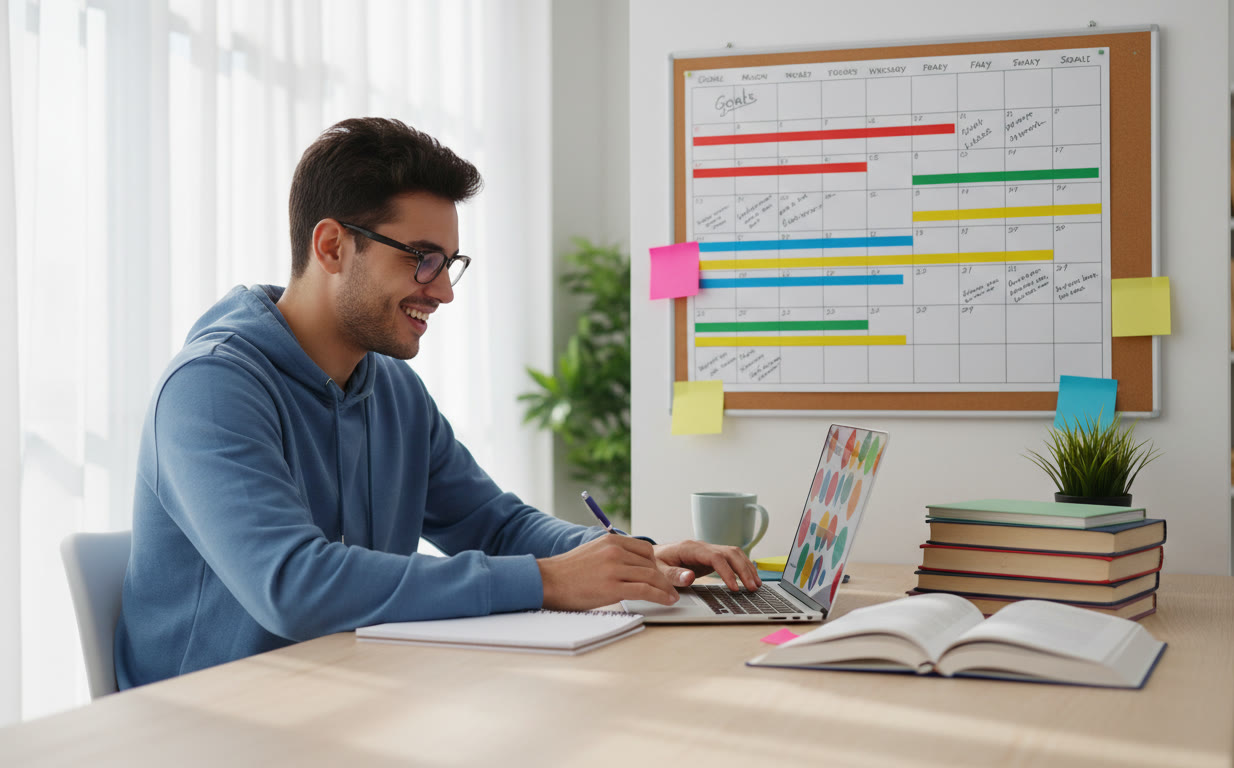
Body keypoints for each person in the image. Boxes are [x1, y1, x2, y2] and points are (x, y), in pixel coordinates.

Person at [114, 117, 760, 689]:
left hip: (344, 699)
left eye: (451, 263)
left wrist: (631, 559)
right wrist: (547, 580)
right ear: (332, 246)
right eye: (423, 260)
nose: (444, 291)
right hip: (210, 727)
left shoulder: (391, 389)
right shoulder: (211, 389)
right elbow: (293, 585)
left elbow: (495, 525)